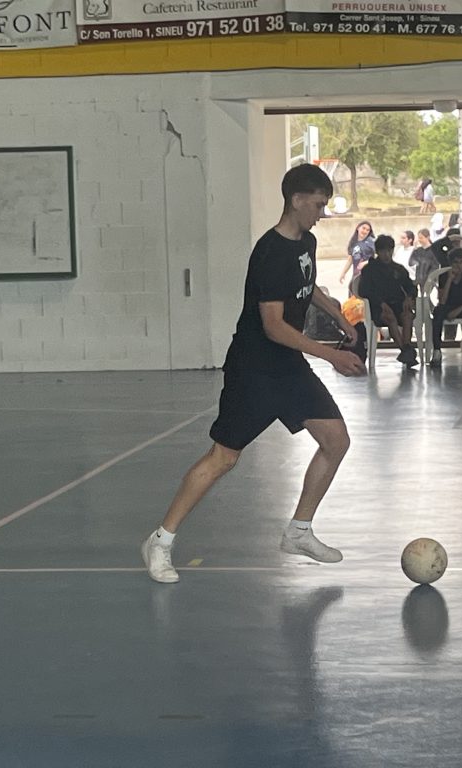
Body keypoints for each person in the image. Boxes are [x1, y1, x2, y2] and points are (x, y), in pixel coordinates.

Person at [141, 164, 366, 584]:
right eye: (318, 205)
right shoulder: (270, 253)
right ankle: (160, 541)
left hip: (288, 366)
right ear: (297, 200)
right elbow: (274, 327)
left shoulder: (306, 241)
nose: (321, 214)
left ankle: (299, 531)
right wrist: (331, 356)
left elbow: (308, 286)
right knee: (223, 458)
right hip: (255, 370)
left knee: (336, 440)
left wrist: (338, 316)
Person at [359, 234, 418, 367]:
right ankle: (406, 351)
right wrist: (381, 303)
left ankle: (406, 349)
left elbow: (411, 287)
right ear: (377, 252)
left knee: (408, 316)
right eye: (383, 251)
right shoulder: (369, 270)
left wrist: (409, 298)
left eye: (389, 251)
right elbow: (364, 291)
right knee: (390, 317)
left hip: (397, 304)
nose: (386, 254)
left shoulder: (399, 269)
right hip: (378, 306)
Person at [408, 228, 439, 295]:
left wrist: (429, 279)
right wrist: (414, 250)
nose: (419, 240)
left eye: (421, 238)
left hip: (429, 280)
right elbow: (410, 262)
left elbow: (435, 266)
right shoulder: (418, 250)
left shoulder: (434, 250)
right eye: (418, 238)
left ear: (427, 237)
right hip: (419, 280)